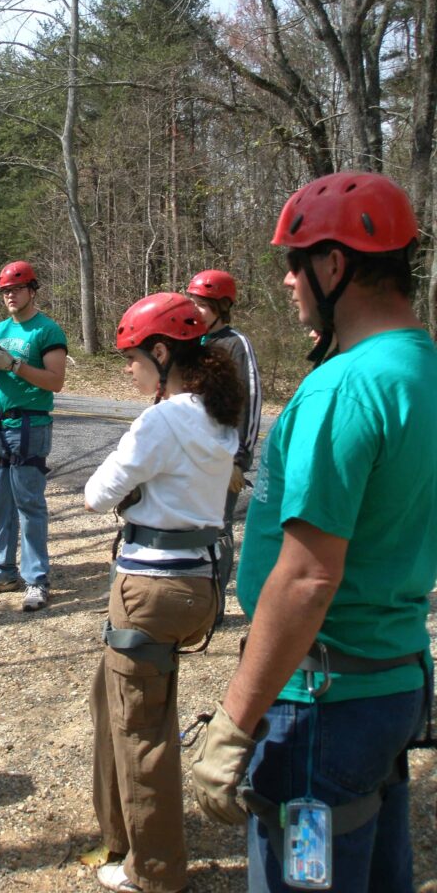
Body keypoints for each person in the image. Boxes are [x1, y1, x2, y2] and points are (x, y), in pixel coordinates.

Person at [192, 173, 437, 893]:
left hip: (322, 707)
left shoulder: (345, 387)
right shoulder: (420, 368)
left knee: (308, 874)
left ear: (336, 267)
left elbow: (307, 577)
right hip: (391, 682)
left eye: (297, 264)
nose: (290, 282)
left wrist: (235, 723)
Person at [84, 293, 243, 893]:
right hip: (199, 584)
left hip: (149, 587)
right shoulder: (217, 415)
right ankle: (124, 836)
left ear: (159, 351)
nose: (127, 367)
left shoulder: (162, 419)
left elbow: (97, 494)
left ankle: (152, 871)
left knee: (140, 730)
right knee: (120, 702)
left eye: (132, 356)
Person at [0, 261, 67, 613]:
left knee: (29, 503)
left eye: (17, 289)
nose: (10, 295)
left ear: (32, 290)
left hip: (30, 424)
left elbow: (56, 381)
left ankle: (36, 579)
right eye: (5, 291)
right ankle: (1, 571)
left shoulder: (47, 330)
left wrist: (13, 365)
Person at [187, 268, 262, 622]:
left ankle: (213, 607)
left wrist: (239, 459)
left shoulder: (236, 344)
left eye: (202, 304)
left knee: (217, 530)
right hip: (189, 455)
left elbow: (250, 402)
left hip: (223, 457)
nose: (195, 309)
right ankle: (192, 600)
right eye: (192, 302)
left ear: (221, 306)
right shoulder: (188, 342)